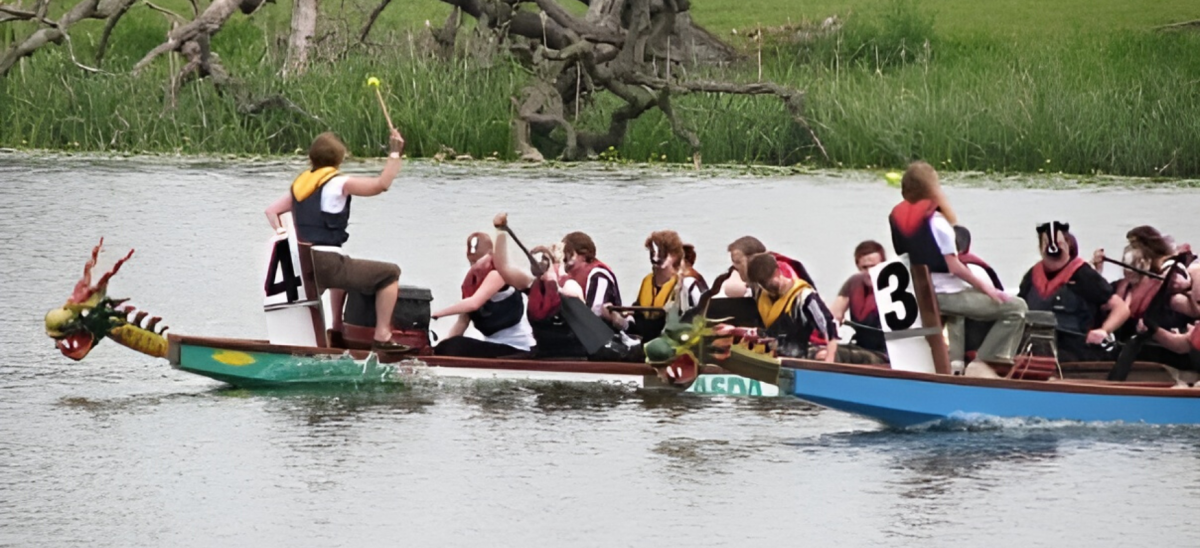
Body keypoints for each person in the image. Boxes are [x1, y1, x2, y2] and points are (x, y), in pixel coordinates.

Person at [264, 130, 406, 350]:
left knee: (342, 277)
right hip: (326, 262)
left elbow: (272, 211)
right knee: (390, 274)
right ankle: (382, 336)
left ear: (312, 158)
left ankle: (336, 332)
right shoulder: (339, 182)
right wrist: (395, 154)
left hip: (302, 264)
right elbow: (381, 185)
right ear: (339, 159)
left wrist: (286, 237)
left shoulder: (301, 186)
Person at [888, 161, 1026, 377]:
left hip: (920, 295)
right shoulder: (938, 222)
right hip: (944, 295)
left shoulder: (897, 218)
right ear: (932, 188)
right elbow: (955, 267)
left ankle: (950, 364)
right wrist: (989, 290)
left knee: (963, 312)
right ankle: (986, 361)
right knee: (1016, 307)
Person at [1017, 222, 1130, 363]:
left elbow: (1121, 308)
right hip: (1034, 347)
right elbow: (1018, 308)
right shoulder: (1032, 276)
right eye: (1046, 243)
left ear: (1068, 245)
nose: (1053, 248)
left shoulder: (1084, 275)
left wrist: (1103, 331)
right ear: (1040, 248)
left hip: (1076, 351)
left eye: (1058, 243)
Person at [430, 232, 536, 358]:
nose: (474, 266)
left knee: (455, 345)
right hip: (494, 345)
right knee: (450, 345)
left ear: (491, 255)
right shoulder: (471, 285)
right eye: (472, 262)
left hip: (518, 347)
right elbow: (462, 323)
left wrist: (438, 313)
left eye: (477, 261)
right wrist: (439, 350)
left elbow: (475, 303)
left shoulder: (498, 275)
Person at [744, 253, 838, 361]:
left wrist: (829, 360)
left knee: (822, 355)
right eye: (762, 283)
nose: (766, 287)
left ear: (777, 272)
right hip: (772, 353)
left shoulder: (804, 297)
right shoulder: (761, 295)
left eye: (768, 282)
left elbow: (829, 327)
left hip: (801, 353)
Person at [626, 231, 709, 340]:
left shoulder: (688, 283)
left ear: (674, 255)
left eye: (661, 253)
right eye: (652, 252)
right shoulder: (647, 281)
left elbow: (705, 314)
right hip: (646, 342)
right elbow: (637, 315)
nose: (655, 257)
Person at [830, 240, 887, 354]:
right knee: (817, 352)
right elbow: (833, 316)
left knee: (837, 354)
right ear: (858, 266)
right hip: (860, 347)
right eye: (865, 268)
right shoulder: (853, 283)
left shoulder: (894, 286)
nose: (870, 272)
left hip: (884, 353)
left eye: (874, 267)